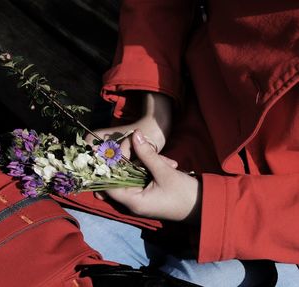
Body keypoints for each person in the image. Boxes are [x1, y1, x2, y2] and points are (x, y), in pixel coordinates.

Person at [65, 0, 299, 286]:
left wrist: (202, 202)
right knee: (42, 231)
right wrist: (155, 110)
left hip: (280, 234)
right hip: (183, 128)